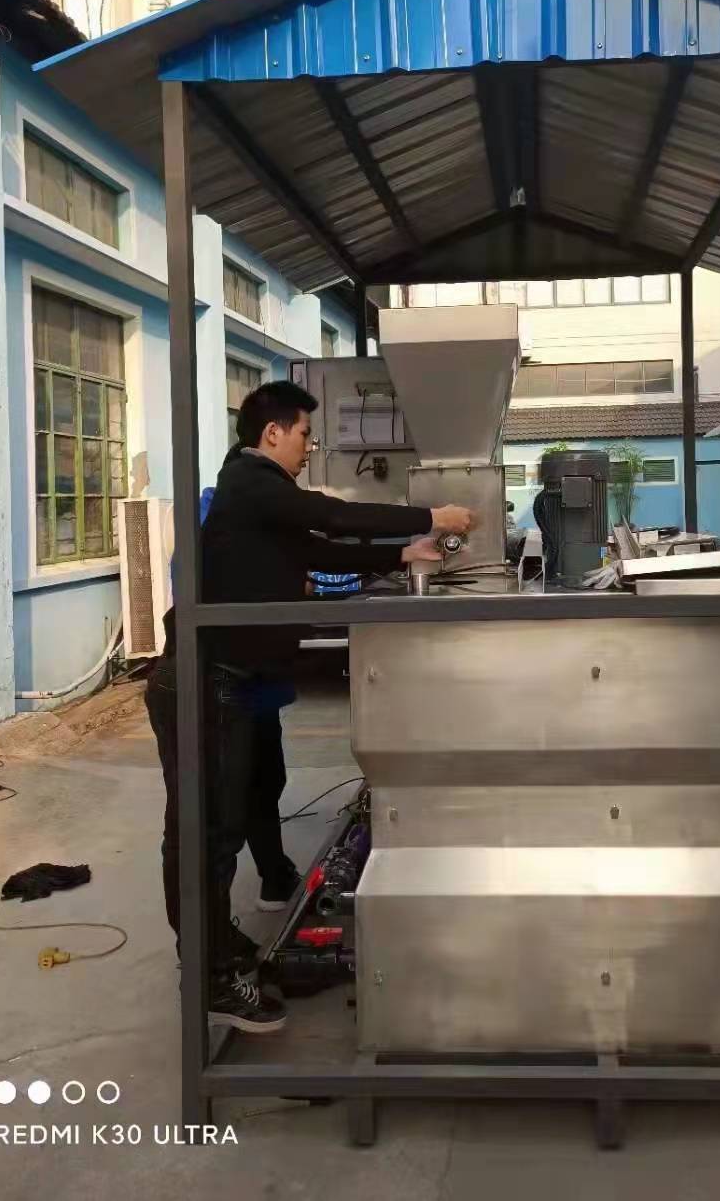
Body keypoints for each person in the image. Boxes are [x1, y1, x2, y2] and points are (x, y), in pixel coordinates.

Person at [147, 380, 471, 1034]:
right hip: (205, 682)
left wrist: (401, 553)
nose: (308, 447)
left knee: (224, 826)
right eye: (303, 435)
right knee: (206, 837)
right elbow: (333, 517)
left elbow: (320, 548)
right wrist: (430, 517)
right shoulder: (250, 482)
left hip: (226, 680)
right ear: (272, 433)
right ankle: (210, 979)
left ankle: (217, 949)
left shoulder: (260, 499)